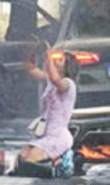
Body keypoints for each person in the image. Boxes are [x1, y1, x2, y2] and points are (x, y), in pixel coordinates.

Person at [15, 42, 78, 175]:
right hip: (46, 134)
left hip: (58, 136)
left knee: (30, 161)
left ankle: (60, 167)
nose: (55, 62)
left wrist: (48, 56)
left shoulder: (68, 84)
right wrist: (33, 52)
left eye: (60, 61)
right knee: (21, 159)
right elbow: (31, 69)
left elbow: (56, 79)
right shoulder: (51, 80)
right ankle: (57, 161)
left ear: (67, 67)